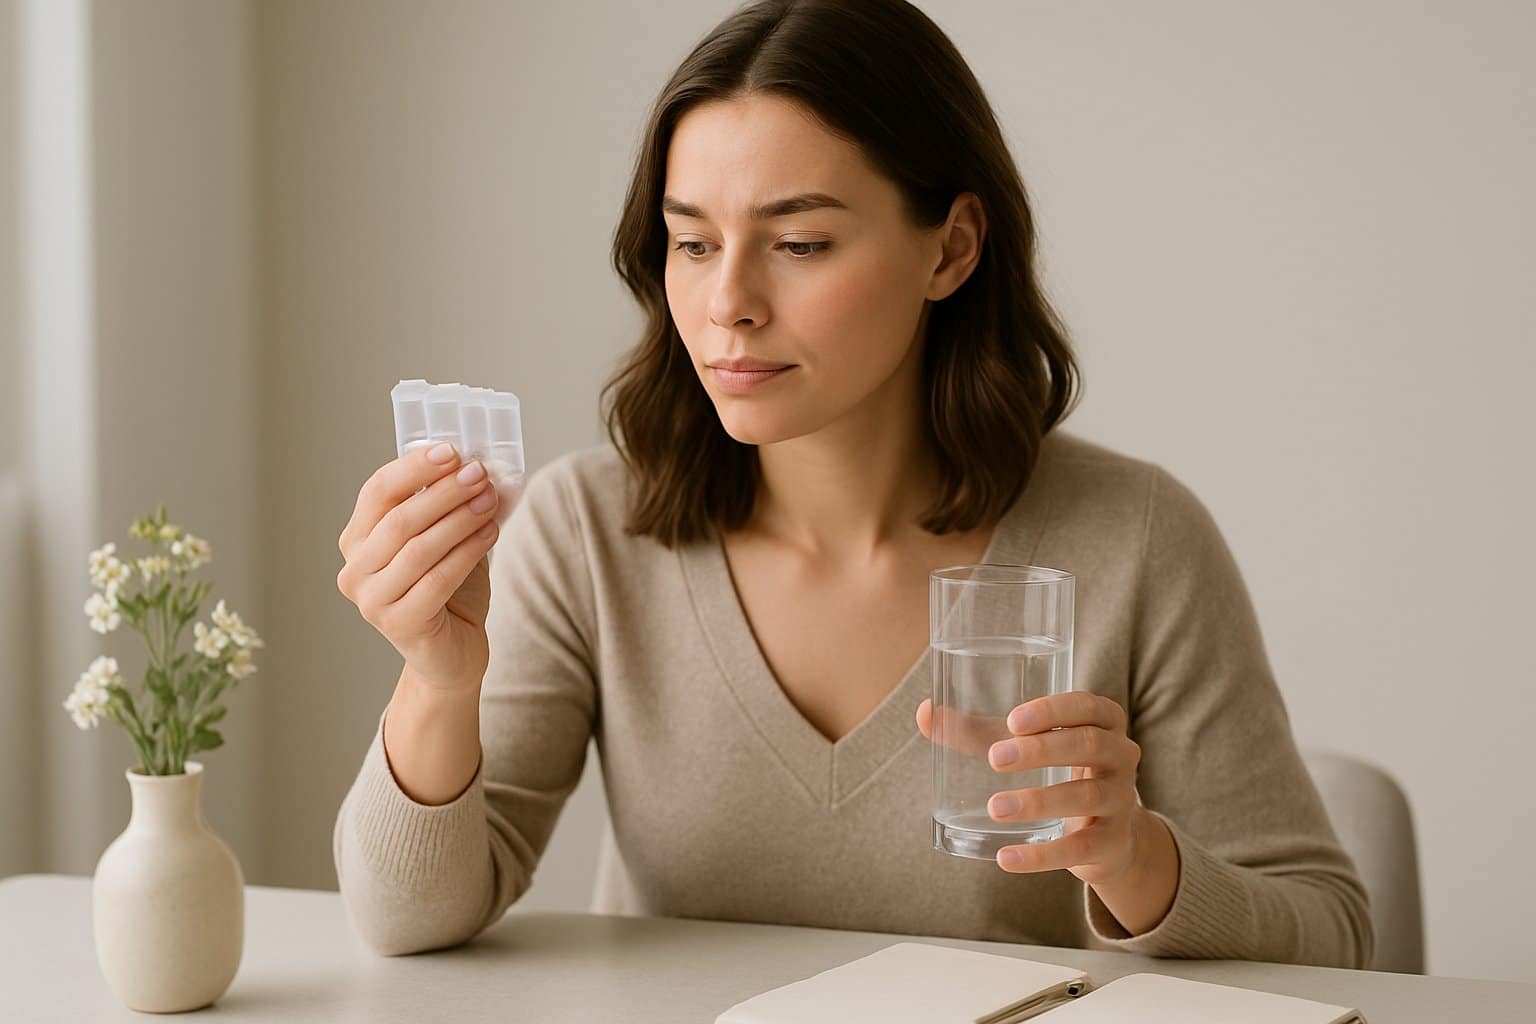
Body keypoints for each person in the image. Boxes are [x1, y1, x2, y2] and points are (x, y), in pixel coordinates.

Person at [332, 0, 1375, 969]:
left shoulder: (1134, 538)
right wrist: (439, 679)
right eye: (692, 242)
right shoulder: (588, 530)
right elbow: (405, 921)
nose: (726, 302)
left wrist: (1135, 856)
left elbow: (1333, 930)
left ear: (953, 247)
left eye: (799, 242)